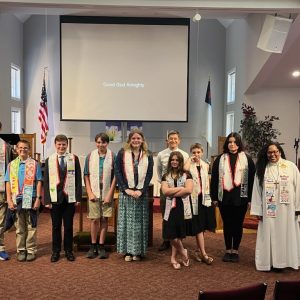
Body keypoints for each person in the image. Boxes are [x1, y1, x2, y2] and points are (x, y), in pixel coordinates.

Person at [250, 142, 300, 271]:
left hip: (287, 209)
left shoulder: (290, 167)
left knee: (287, 234)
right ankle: (270, 262)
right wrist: (257, 210)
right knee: (269, 234)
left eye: (275, 151)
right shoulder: (262, 169)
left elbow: (298, 187)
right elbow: (256, 191)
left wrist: (298, 207)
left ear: (280, 152)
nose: (273, 155)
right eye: (270, 152)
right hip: (269, 209)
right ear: (266, 154)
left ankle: (286, 261)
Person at [211, 132, 255, 262]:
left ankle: (235, 250)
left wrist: (251, 199)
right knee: (227, 224)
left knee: (237, 224)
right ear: (227, 144)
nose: (232, 144)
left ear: (239, 144)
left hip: (241, 197)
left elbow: (252, 180)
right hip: (224, 197)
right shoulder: (220, 159)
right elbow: (214, 179)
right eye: (230, 142)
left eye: (235, 142)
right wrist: (214, 197)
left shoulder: (247, 159)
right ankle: (227, 250)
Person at [115, 129, 153, 262]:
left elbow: (149, 174)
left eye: (138, 138)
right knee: (126, 223)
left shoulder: (147, 155)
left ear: (142, 140)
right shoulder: (122, 153)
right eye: (133, 138)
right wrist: (126, 189)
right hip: (126, 194)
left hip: (140, 194)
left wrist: (141, 191)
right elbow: (117, 172)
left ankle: (138, 251)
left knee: (139, 224)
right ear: (129, 140)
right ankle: (128, 252)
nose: (136, 140)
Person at [44, 134, 82, 262]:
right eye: (59, 144)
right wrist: (47, 200)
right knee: (55, 226)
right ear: (55, 145)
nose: (61, 146)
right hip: (55, 199)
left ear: (67, 145)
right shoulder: (49, 159)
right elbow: (46, 181)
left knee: (69, 226)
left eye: (64, 144)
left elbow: (78, 179)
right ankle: (55, 251)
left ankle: (68, 250)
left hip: (69, 197)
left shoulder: (73, 158)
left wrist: (78, 197)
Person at [5, 140, 42, 262]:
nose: (23, 150)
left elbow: (39, 182)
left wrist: (38, 199)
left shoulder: (35, 164)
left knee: (31, 225)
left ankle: (30, 249)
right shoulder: (12, 165)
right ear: (16, 149)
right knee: (20, 227)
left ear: (29, 149)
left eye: (25, 148)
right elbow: (8, 183)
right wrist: (9, 200)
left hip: (30, 198)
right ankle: (21, 249)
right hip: (17, 199)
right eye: (20, 148)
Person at [84, 133, 116, 259]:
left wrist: (110, 194)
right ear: (95, 143)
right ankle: (93, 245)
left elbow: (115, 177)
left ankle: (101, 245)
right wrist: (89, 192)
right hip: (94, 191)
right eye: (98, 142)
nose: (100, 145)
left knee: (104, 219)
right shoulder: (90, 156)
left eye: (103, 142)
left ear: (107, 143)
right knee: (94, 219)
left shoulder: (112, 156)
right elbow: (86, 175)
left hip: (107, 191)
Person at [156, 130, 189, 251]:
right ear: (167, 140)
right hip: (167, 189)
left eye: (175, 139)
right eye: (171, 138)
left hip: (180, 190)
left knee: (179, 214)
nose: (173, 141)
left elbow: (186, 172)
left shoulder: (184, 155)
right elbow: (159, 170)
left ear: (179, 140)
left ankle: (179, 238)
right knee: (166, 214)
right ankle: (166, 239)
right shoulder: (161, 154)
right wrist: (164, 183)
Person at [161, 151, 193, 270]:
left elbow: (189, 190)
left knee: (177, 235)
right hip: (170, 207)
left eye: (177, 160)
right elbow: (165, 192)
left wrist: (172, 191)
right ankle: (184, 252)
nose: (174, 162)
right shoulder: (166, 175)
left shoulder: (186, 174)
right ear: (170, 161)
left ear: (180, 162)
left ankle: (173, 258)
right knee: (170, 235)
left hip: (182, 206)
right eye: (172, 160)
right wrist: (180, 188)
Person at [185, 143, 216, 265]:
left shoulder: (205, 165)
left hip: (204, 198)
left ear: (202, 153)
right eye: (194, 152)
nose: (196, 154)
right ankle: (204, 253)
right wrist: (189, 159)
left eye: (198, 152)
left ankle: (198, 250)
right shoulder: (189, 164)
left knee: (202, 225)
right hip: (194, 198)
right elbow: (185, 170)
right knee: (198, 226)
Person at [0, 123, 13, 261]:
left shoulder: (6, 147)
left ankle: (0, 248)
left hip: (1, 189)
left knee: (0, 221)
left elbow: (11, 170)